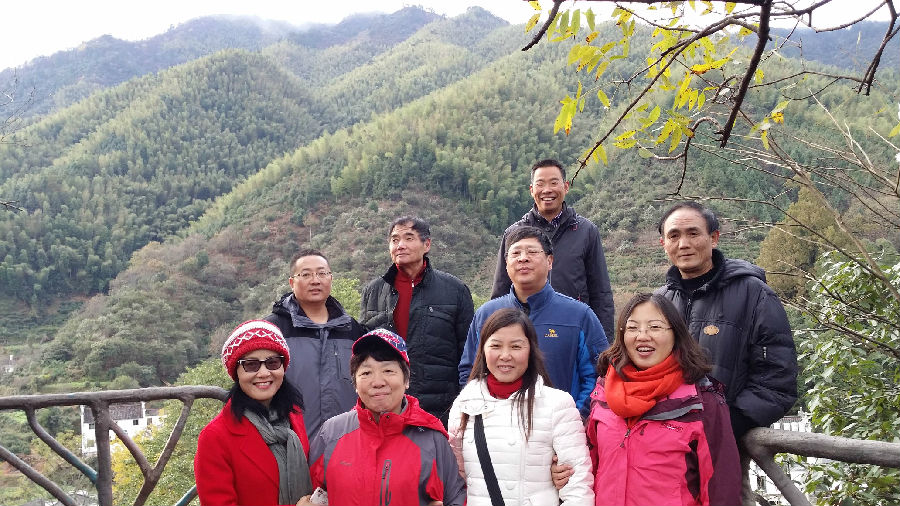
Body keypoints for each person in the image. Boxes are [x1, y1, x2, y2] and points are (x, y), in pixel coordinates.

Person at [656, 201, 798, 438]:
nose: (683, 244)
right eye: (674, 236)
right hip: (665, 442)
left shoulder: (754, 294)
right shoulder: (658, 303)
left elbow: (777, 379)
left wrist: (725, 424)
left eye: (693, 233)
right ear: (663, 244)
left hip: (725, 442)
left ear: (714, 238)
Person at [588, 293, 741, 506]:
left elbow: (721, 488)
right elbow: (588, 464)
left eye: (655, 327)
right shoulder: (604, 392)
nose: (642, 336)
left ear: (675, 334)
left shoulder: (702, 401)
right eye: (632, 328)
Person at [449, 308, 594, 506]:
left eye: (516, 346)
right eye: (496, 346)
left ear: (531, 350)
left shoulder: (557, 404)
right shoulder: (464, 405)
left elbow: (578, 488)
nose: (505, 355)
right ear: (482, 350)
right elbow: (457, 480)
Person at [459, 225, 608, 416]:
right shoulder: (486, 314)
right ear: (506, 263)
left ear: (550, 261)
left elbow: (597, 375)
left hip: (560, 426)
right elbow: (470, 372)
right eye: (516, 253)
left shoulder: (579, 315)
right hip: (496, 426)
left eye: (532, 252)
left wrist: (575, 418)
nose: (523, 258)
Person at [308, 328, 466, 506]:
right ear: (355, 384)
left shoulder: (432, 438)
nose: (378, 382)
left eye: (388, 370)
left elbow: (456, 497)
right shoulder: (331, 433)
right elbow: (309, 494)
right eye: (366, 373)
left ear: (406, 380)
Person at [360, 216, 474, 425]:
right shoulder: (373, 291)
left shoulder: (454, 290)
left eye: (409, 238)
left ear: (426, 245)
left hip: (439, 407)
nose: (400, 245)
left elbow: (468, 352)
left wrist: (464, 402)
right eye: (395, 240)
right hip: (386, 405)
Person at [491, 159, 615, 338]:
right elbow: (501, 289)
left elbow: (601, 293)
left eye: (554, 183)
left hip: (573, 328)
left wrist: (605, 344)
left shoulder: (586, 231)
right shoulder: (514, 233)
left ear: (566, 187)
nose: (547, 190)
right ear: (532, 190)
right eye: (540, 184)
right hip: (524, 332)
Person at [195, 320, 314, 506]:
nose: (264, 373)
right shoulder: (215, 437)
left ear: (283, 367)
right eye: (251, 365)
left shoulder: (293, 415)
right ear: (236, 372)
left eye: (272, 362)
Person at [264, 248, 366, 438]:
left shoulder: (351, 329)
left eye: (321, 273)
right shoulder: (273, 329)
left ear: (331, 279)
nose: (315, 280)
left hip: (347, 442)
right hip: (290, 442)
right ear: (292, 283)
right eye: (306, 275)